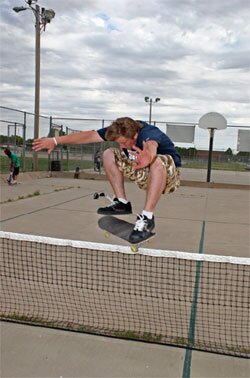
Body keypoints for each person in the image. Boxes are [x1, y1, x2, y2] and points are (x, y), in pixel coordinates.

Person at [32, 117, 181, 243]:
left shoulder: (148, 133)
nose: (121, 146)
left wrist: (148, 157)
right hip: (140, 171)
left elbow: (151, 145)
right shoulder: (120, 129)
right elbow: (90, 136)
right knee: (108, 153)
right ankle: (122, 203)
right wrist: (55, 140)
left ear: (135, 136)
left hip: (167, 178)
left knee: (157, 161)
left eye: (123, 143)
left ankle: (147, 218)